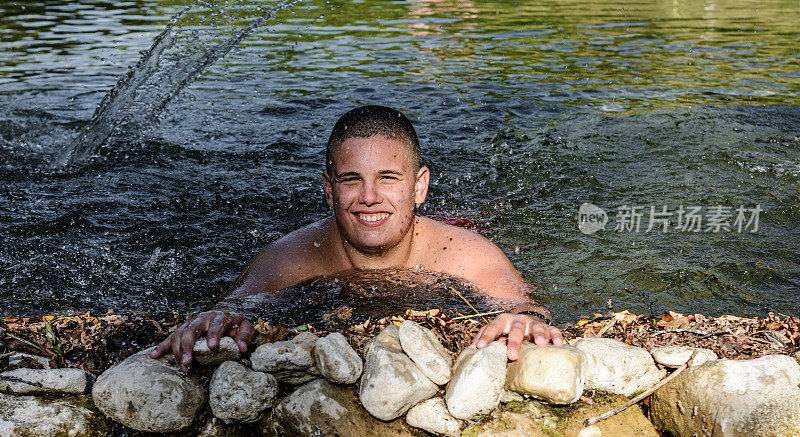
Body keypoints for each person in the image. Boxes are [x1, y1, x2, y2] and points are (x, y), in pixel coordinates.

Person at [150, 105, 563, 371]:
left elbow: (526, 309)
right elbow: (230, 306)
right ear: (329, 189)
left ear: (419, 187)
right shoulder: (294, 258)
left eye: (387, 178)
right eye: (352, 181)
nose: (368, 198)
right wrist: (217, 318)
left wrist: (526, 321)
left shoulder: (464, 254)